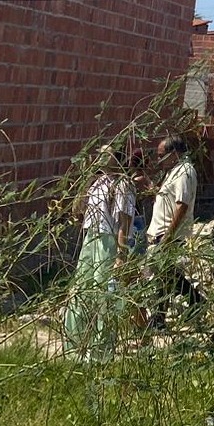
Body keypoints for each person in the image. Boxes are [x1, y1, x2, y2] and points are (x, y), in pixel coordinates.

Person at [64, 146, 136, 360]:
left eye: (107, 153)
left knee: (104, 295)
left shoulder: (123, 184)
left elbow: (124, 222)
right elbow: (77, 211)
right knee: (81, 290)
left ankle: (100, 351)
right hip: (91, 239)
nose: (101, 157)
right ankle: (74, 344)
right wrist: (85, 179)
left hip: (109, 242)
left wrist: (121, 256)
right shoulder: (98, 181)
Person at [144, 133, 201, 329]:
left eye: (162, 155)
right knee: (164, 277)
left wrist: (168, 236)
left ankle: (195, 300)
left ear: (174, 153)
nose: (159, 160)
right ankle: (158, 319)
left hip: (169, 235)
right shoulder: (174, 171)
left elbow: (182, 205)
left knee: (165, 273)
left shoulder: (184, 171)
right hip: (161, 233)